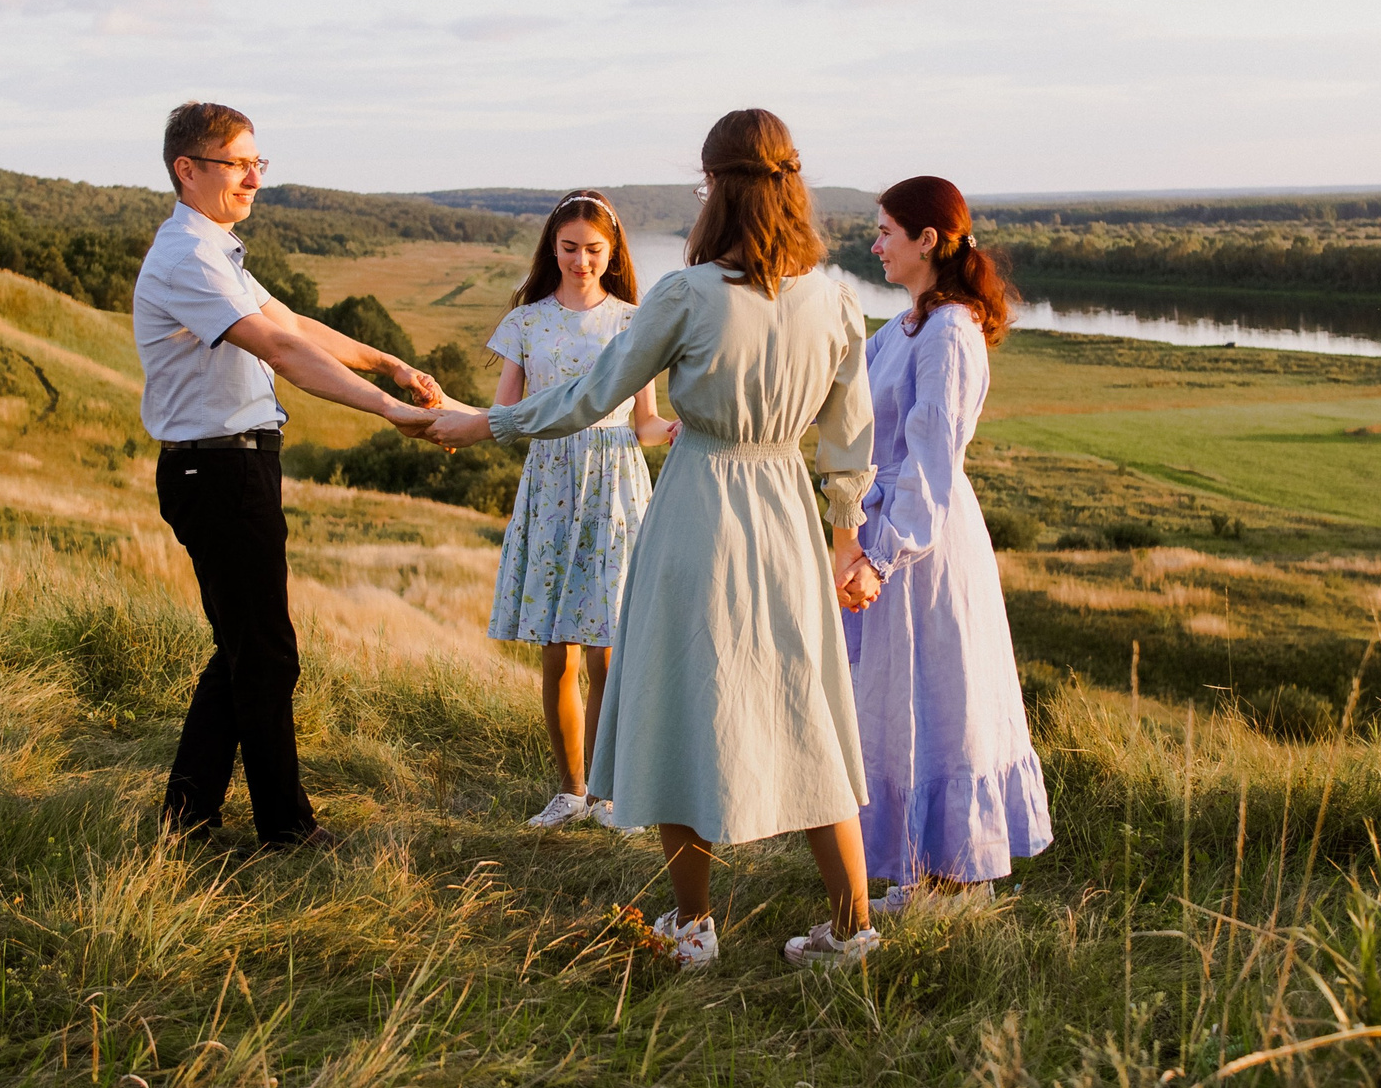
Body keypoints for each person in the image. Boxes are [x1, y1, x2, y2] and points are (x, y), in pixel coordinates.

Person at [430, 108, 884, 971]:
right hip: (786, 508)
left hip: (701, 504)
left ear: (714, 187)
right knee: (808, 703)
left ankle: (695, 924)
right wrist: (844, 536)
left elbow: (591, 395)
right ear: (793, 185)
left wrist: (481, 423)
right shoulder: (836, 298)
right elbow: (848, 442)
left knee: (682, 699)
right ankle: (852, 928)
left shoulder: (688, 293)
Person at [138, 101, 444, 852]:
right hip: (215, 468)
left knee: (244, 647)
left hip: (236, 463)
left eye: (257, 162)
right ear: (189, 169)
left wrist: (389, 362)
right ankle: (286, 826)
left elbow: (298, 323)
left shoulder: (217, 251)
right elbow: (283, 350)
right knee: (268, 652)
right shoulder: (187, 256)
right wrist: (386, 410)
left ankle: (187, 820)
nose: (253, 177)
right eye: (237, 162)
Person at [845, 178, 1052, 910]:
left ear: (927, 239)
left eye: (886, 232)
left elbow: (931, 465)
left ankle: (956, 877)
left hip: (923, 544)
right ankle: (921, 871)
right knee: (900, 703)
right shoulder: (904, 327)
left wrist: (882, 553)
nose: (876, 245)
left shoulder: (951, 333)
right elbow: (843, 392)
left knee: (942, 696)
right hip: (886, 526)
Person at [485, 190, 680, 831]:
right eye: (568, 249)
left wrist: (675, 432)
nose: (581, 261)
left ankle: (606, 794)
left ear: (612, 251)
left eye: (593, 250)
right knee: (557, 650)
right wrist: (440, 417)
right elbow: (505, 416)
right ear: (553, 250)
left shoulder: (633, 321)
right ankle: (569, 791)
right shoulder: (526, 321)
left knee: (607, 651)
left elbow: (645, 421)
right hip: (550, 484)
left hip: (617, 485)